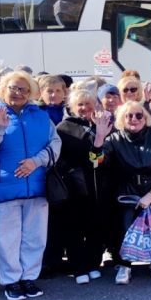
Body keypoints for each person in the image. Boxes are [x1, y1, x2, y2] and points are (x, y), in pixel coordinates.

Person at [0, 71, 62, 300]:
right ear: (3, 88)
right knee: (7, 238)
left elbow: (55, 143)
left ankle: (29, 277)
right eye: (13, 87)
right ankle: (11, 281)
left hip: (36, 185)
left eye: (24, 89)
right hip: (5, 187)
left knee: (35, 237)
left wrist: (37, 161)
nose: (18, 93)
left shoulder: (41, 116)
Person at [90, 101, 151, 285]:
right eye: (129, 115)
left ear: (145, 118)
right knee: (126, 228)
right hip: (126, 192)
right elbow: (95, 163)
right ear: (122, 118)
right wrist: (98, 140)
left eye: (138, 115)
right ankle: (124, 264)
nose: (134, 119)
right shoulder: (114, 139)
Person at [45, 89, 111, 285]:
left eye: (88, 103)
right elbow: (91, 159)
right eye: (80, 104)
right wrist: (99, 140)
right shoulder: (64, 128)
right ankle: (78, 267)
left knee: (95, 228)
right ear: (72, 107)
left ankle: (92, 264)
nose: (84, 108)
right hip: (75, 188)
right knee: (74, 230)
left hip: (98, 187)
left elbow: (103, 160)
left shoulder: (101, 124)